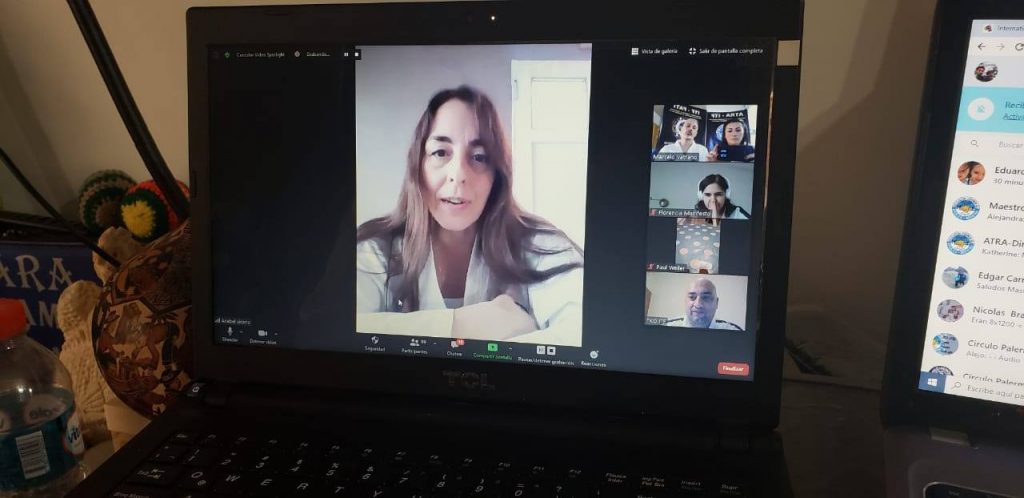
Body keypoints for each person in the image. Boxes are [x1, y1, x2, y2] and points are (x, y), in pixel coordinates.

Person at [354, 86, 584, 345]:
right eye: (440, 153)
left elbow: (587, 331)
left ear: (497, 174)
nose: (459, 174)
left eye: (479, 157)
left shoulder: (540, 245)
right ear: (418, 166)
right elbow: (334, 328)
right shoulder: (374, 250)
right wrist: (464, 324)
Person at [666, 278, 742, 330]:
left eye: (706, 298)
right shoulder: (667, 328)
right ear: (685, 301)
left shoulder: (733, 331)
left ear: (716, 303)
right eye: (692, 297)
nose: (698, 305)